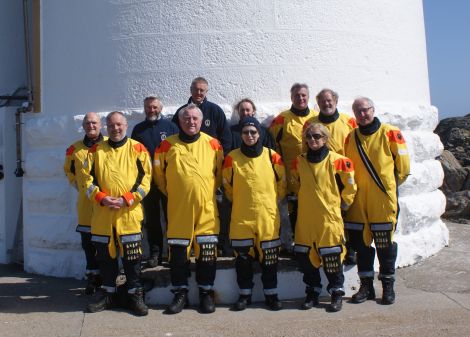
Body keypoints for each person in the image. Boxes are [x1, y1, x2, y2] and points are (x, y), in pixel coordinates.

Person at [154, 104, 223, 314]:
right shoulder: (166, 145)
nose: (190, 122)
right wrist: (176, 193)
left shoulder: (213, 144)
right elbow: (159, 175)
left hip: (207, 209)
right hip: (178, 209)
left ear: (201, 122)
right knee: (178, 252)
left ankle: (206, 292)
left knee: (207, 252)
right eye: (186, 118)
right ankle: (180, 293)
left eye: (194, 118)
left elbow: (219, 173)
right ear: (180, 121)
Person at [82, 111, 152, 316]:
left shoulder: (138, 149)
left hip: (128, 213)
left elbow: (146, 179)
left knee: (132, 257)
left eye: (119, 125)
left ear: (126, 125)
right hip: (103, 214)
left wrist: (127, 199)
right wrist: (101, 197)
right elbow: (86, 180)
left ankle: (134, 295)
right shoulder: (94, 151)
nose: (115, 128)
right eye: (111, 125)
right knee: (105, 257)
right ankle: (108, 294)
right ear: (106, 126)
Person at [344, 97, 410, 305]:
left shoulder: (390, 133)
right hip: (357, 202)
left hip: (382, 201)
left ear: (373, 110)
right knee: (361, 246)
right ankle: (366, 287)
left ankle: (388, 286)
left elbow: (404, 168)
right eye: (358, 112)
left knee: (384, 244)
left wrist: (387, 188)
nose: (363, 115)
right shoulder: (350, 137)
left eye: (365, 110)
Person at [222, 117, 286, 311]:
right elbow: (227, 186)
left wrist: (269, 203)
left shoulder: (272, 156)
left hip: (268, 217)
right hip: (241, 217)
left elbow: (282, 184)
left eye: (253, 132)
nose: (249, 136)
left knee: (269, 259)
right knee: (243, 260)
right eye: (245, 132)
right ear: (240, 135)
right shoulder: (231, 157)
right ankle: (245, 295)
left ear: (259, 134)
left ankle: (271, 295)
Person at [292, 123, 357, 312]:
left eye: (317, 136)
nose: (313, 140)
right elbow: (295, 183)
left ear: (326, 138)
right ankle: (312, 292)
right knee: (306, 258)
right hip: (305, 220)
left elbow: (350, 188)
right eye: (310, 136)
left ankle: (336, 293)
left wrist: (341, 207)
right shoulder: (299, 161)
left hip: (329, 220)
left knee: (332, 259)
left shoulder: (340, 162)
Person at [304, 88, 358, 265]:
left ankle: (348, 249)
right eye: (322, 101)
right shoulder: (310, 123)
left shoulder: (349, 121)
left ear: (335, 100)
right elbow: (305, 148)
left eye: (329, 100)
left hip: (343, 172)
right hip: (320, 173)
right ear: (317, 103)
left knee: (346, 214)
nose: (326, 104)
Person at [131, 96, 179, 267]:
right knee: (152, 220)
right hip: (147, 182)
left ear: (161, 107)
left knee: (171, 217)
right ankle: (155, 253)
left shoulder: (171, 127)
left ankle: (175, 252)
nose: (151, 110)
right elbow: (133, 157)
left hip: (168, 181)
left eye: (154, 107)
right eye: (148, 107)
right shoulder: (138, 129)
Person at [64, 112, 105, 295]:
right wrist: (82, 190)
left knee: (106, 243)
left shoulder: (108, 146)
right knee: (88, 245)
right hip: (86, 206)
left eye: (94, 122)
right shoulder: (74, 149)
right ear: (83, 125)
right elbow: (69, 173)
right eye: (88, 123)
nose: (91, 126)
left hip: (106, 204)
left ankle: (109, 277)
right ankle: (93, 278)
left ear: (101, 125)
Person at [269, 83, 318, 234]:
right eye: (297, 95)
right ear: (291, 97)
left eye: (303, 95)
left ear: (308, 97)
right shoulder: (281, 120)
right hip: (289, 173)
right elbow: (272, 145)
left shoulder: (316, 118)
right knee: (291, 210)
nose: (300, 98)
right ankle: (293, 242)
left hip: (313, 172)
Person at [172, 76, 231, 155]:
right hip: (186, 157)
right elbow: (173, 135)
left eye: (201, 90)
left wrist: (221, 158)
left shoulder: (215, 110)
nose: (198, 93)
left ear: (206, 91)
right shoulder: (181, 111)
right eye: (196, 89)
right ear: (191, 90)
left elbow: (226, 137)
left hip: (210, 158)